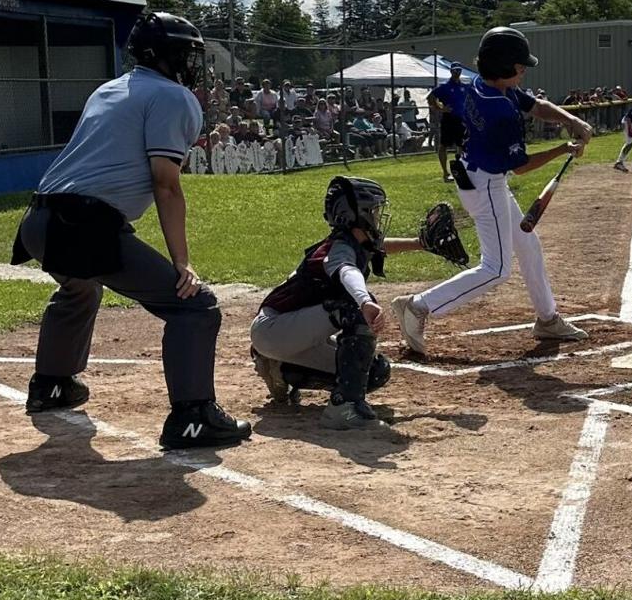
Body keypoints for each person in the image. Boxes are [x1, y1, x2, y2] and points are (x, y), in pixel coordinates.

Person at [9, 12, 251, 451]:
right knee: (195, 307)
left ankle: (52, 385)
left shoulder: (108, 88)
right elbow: (166, 183)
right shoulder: (175, 97)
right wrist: (182, 263)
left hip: (36, 222)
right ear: (168, 55)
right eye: (185, 53)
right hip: (81, 225)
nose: (191, 62)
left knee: (80, 287)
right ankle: (193, 418)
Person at [391, 27, 592, 356]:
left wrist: (572, 119)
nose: (524, 70)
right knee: (496, 269)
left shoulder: (486, 88)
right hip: (485, 184)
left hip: (478, 176)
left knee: (527, 244)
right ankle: (418, 305)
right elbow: (521, 166)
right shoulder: (500, 111)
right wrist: (563, 149)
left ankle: (547, 318)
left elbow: (536, 105)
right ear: (503, 67)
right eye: (519, 65)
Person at [250, 176, 423, 430]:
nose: (377, 217)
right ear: (356, 215)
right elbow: (346, 271)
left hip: (292, 334)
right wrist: (364, 301)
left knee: (373, 372)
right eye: (373, 211)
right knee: (353, 310)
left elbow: (379, 247)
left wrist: (421, 244)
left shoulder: (348, 243)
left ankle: (280, 368)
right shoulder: (339, 250)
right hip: (274, 328)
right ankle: (345, 406)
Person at [427, 62, 468, 183]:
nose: (457, 73)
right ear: (451, 71)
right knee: (444, 145)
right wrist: (440, 108)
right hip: (449, 119)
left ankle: (461, 169)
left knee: (463, 145)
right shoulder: (444, 86)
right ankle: (445, 172)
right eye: (455, 70)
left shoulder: (465, 86)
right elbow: (430, 98)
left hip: (462, 119)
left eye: (459, 70)